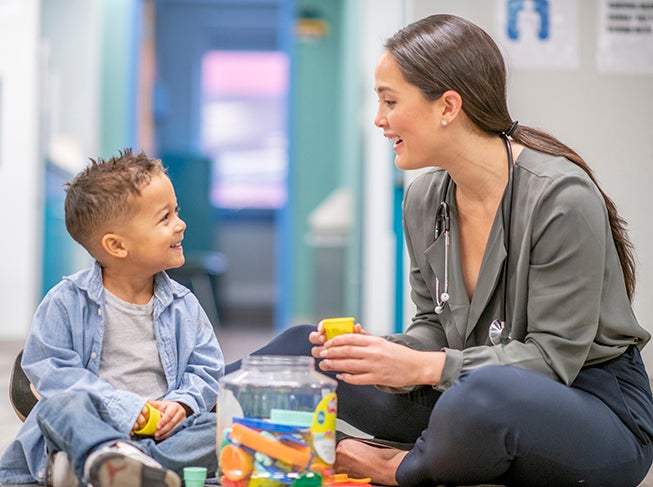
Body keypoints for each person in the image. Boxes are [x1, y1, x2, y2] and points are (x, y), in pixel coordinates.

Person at [235, 13, 653, 487]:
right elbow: (434, 325)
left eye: (390, 101)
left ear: (447, 106)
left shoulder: (561, 198)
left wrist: (423, 366)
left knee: (477, 400)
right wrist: (381, 353)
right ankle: (166, 421)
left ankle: (396, 467)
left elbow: (552, 362)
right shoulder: (423, 198)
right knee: (306, 352)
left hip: (591, 410)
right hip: (470, 388)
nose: (379, 119)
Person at [0, 149, 224, 487]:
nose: (181, 224)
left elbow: (206, 367)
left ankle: (116, 469)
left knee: (224, 429)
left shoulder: (184, 305)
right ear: (117, 246)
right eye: (165, 218)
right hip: (93, 425)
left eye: (175, 212)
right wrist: (127, 409)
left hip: (163, 433)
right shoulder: (65, 302)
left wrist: (183, 403)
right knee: (58, 408)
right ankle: (106, 456)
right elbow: (52, 372)